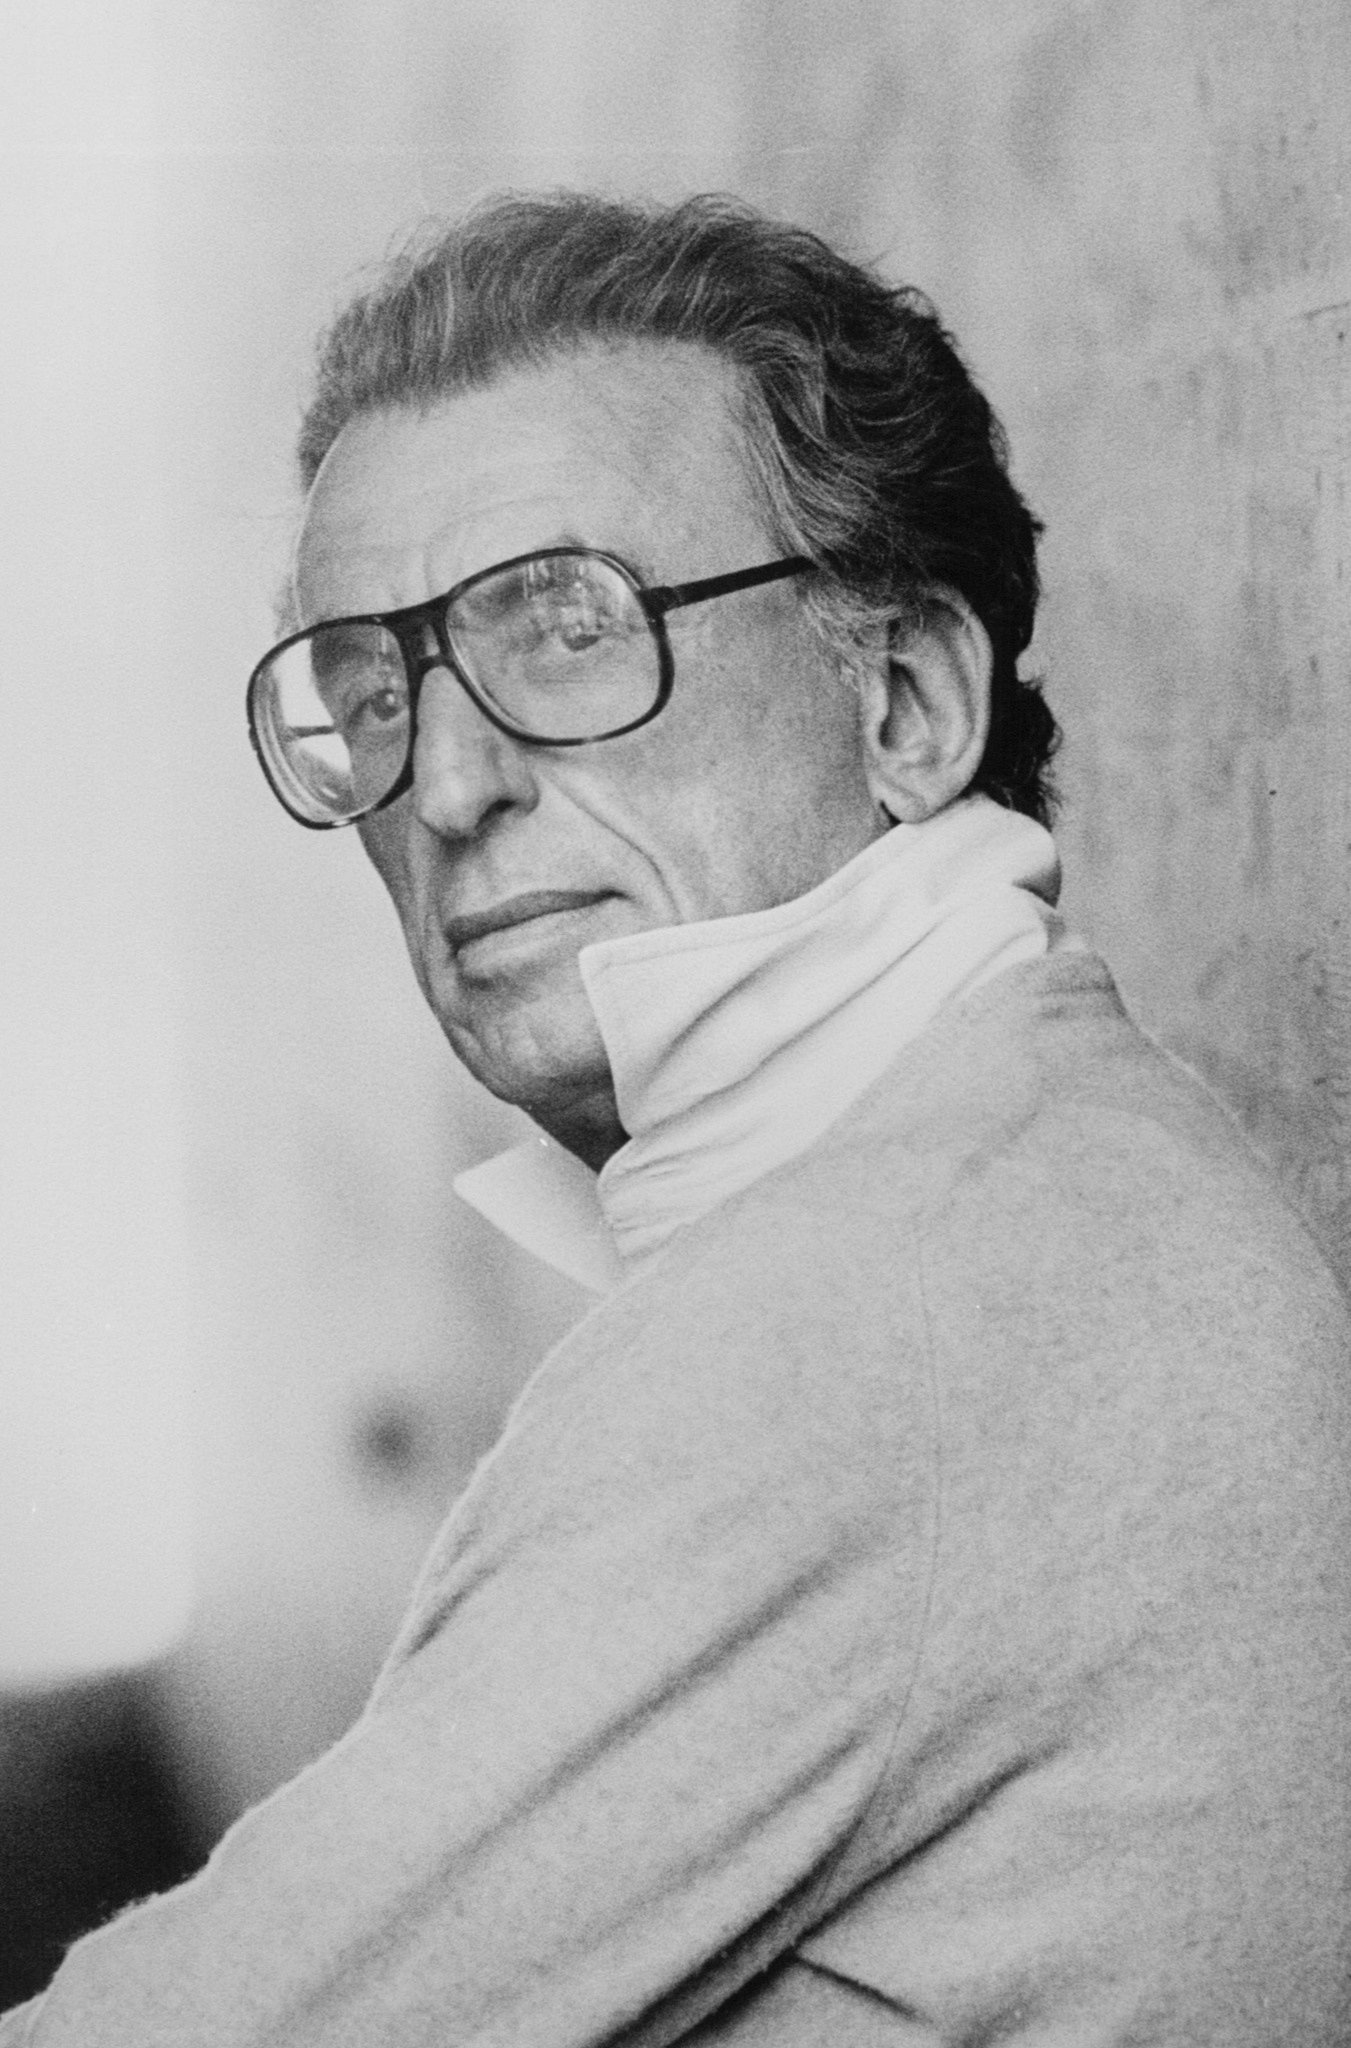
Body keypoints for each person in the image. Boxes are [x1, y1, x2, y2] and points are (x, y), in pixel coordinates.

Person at [5, 192, 1349, 2046]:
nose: (446, 784)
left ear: (907, 705)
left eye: (568, 625)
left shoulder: (865, 1312)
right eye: (371, 689)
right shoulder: (1029, 1152)